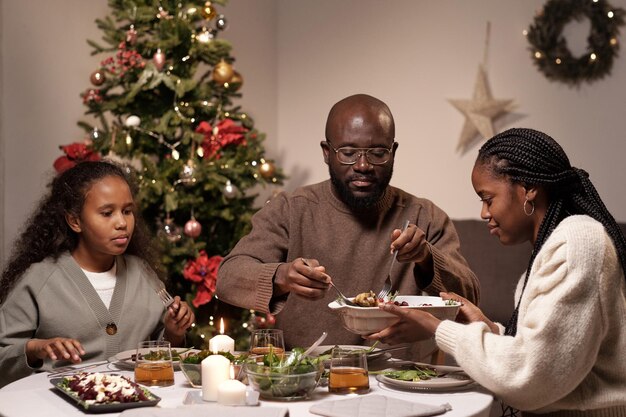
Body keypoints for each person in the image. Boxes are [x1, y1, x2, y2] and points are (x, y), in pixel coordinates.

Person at [368, 128, 626, 415]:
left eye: (488, 198)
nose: (483, 213)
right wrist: (489, 329)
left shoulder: (577, 242)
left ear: (528, 188)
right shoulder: (555, 245)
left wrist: (437, 327)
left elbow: (533, 377)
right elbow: (542, 355)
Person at [216, 94, 479, 359]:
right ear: (327, 153)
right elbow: (227, 278)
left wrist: (426, 258)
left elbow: (469, 298)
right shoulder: (292, 208)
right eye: (349, 153)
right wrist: (281, 277)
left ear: (393, 152)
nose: (363, 165)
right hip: (309, 376)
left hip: (401, 378)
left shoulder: (425, 216)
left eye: (377, 153)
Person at [0, 161, 195, 387]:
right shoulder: (39, 280)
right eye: (107, 213)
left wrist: (174, 332)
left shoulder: (143, 273)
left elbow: (160, 353)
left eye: (127, 211)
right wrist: (35, 349)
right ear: (75, 221)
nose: (122, 223)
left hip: (136, 404)